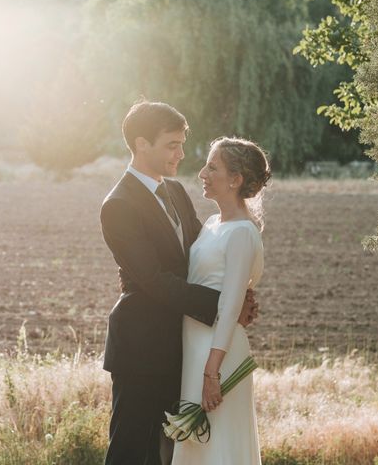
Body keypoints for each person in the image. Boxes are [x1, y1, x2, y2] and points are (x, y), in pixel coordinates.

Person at [100, 100, 259, 465]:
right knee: (130, 450)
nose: (181, 153)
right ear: (142, 144)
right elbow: (154, 280)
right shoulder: (118, 205)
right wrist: (220, 306)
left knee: (172, 452)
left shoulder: (175, 192)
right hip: (140, 347)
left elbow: (199, 260)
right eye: (172, 144)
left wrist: (237, 297)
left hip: (184, 346)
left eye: (182, 143)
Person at [172, 136, 270, 464]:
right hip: (195, 349)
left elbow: (230, 306)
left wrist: (211, 373)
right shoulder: (214, 224)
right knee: (197, 449)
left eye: (212, 167)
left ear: (235, 180)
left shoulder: (242, 232)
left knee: (219, 447)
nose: (202, 173)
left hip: (218, 356)